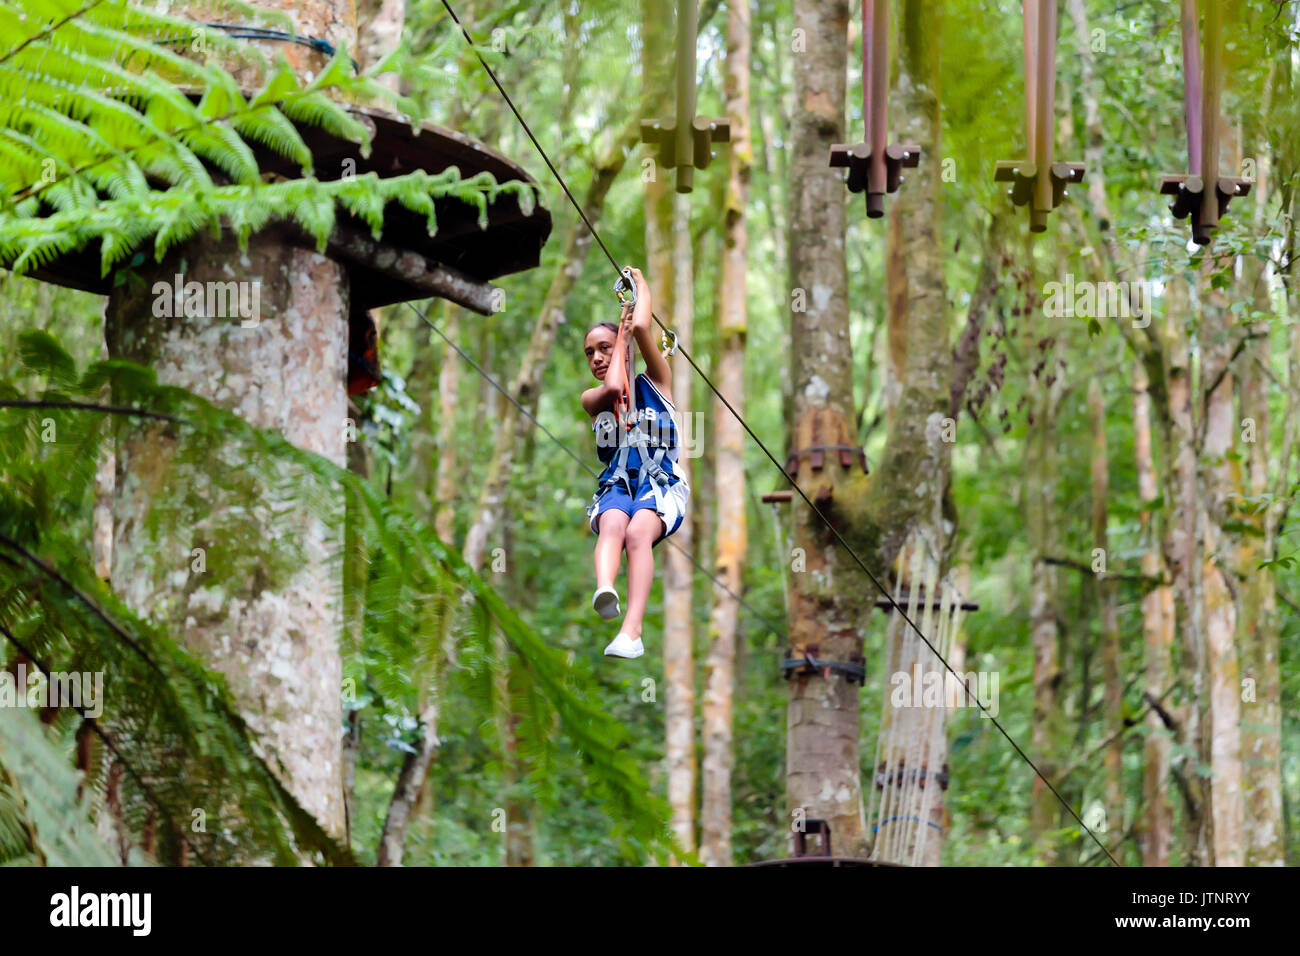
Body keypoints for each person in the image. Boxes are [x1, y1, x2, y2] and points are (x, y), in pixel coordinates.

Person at [580, 266, 689, 659]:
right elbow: (612, 387)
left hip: (660, 485)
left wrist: (640, 285)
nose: (596, 357)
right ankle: (605, 588)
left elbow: (643, 331)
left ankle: (632, 632)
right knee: (612, 523)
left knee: (638, 534)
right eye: (590, 352)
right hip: (617, 484)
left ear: (623, 348)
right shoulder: (593, 398)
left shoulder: (656, 382)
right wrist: (618, 343)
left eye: (604, 348)